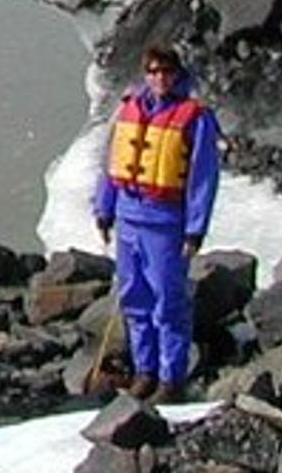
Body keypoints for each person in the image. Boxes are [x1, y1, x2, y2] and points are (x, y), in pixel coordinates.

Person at [93, 42, 221, 405]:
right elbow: (111, 164)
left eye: (166, 72)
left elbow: (202, 178)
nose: (159, 78)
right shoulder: (130, 110)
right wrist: (104, 208)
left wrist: (195, 230)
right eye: (153, 72)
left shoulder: (194, 118)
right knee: (134, 296)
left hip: (166, 221)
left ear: (177, 75)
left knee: (168, 301)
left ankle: (171, 378)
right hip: (128, 218)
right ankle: (145, 372)